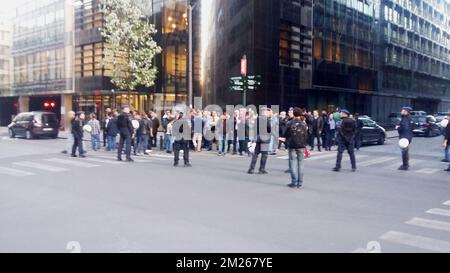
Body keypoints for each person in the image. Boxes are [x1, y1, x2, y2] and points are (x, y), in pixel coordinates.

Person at [283, 108, 309, 189]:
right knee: (301, 163)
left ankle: (294, 181)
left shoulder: (290, 123)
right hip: (301, 145)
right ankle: (300, 182)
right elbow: (306, 134)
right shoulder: (304, 123)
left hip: (292, 145)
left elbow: (285, 133)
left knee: (293, 163)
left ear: (294, 114)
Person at [248, 108, 272, 174]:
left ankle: (251, 169)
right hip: (265, 137)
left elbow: (255, 128)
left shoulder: (257, 119)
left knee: (256, 154)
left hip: (258, 137)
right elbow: (269, 129)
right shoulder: (266, 119)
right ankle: (261, 169)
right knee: (264, 154)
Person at [396, 107, 414, 171]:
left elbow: (404, 128)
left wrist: (398, 127)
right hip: (408, 136)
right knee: (406, 151)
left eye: (402, 110)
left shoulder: (405, 119)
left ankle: (405, 165)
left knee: (404, 151)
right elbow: (412, 127)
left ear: (406, 112)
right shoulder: (409, 118)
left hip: (404, 137)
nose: (401, 111)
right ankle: (406, 164)